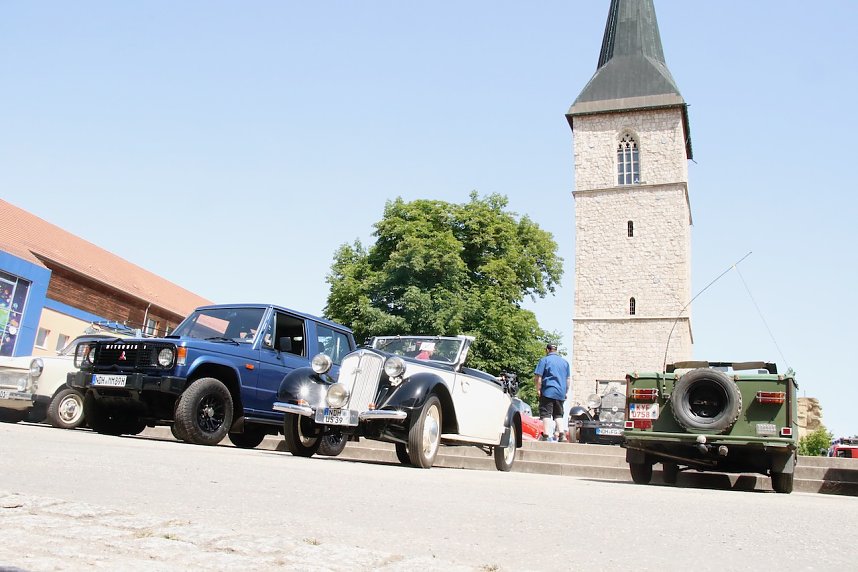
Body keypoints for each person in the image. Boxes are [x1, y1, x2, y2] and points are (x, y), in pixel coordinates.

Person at [533, 343, 571, 442]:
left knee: (546, 414)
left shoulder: (544, 360)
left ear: (547, 350)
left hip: (548, 390)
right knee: (558, 414)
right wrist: (566, 391)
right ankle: (562, 434)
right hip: (560, 392)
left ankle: (545, 435)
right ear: (556, 350)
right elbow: (568, 379)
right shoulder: (565, 362)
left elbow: (538, 377)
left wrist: (538, 389)